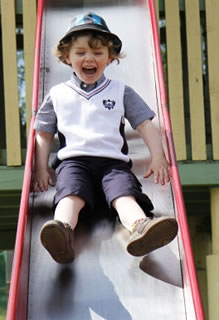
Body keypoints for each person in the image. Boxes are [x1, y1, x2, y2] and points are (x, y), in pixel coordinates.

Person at [33, 12, 178, 264]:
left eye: (98, 53)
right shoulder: (57, 94)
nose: (89, 58)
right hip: (73, 162)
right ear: (67, 57)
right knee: (71, 194)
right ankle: (62, 232)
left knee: (123, 194)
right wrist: (40, 168)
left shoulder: (121, 91)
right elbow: (44, 134)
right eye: (80, 53)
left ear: (110, 58)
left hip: (113, 164)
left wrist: (158, 156)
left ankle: (141, 227)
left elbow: (145, 125)